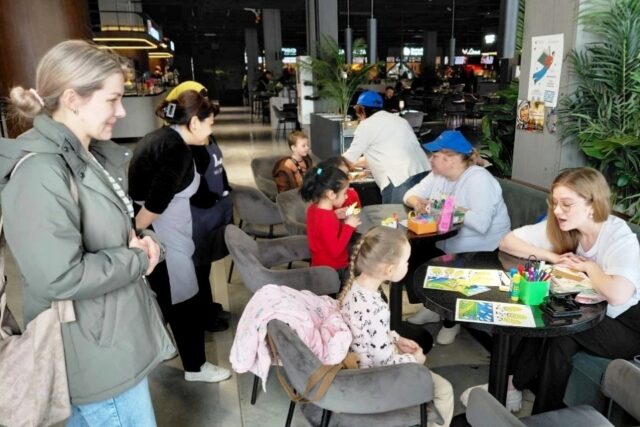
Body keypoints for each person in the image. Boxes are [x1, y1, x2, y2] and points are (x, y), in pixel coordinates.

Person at [0, 39, 174, 425]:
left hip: (110, 343)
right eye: (112, 99)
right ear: (73, 99)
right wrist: (137, 258)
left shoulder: (87, 156)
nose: (122, 111)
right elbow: (58, 276)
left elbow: (117, 228)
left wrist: (148, 243)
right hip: (94, 358)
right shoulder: (40, 172)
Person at [498, 167, 640, 414]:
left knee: (560, 326)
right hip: (594, 311)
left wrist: (589, 266)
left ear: (592, 205)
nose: (557, 211)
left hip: (627, 325)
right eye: (554, 203)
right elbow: (507, 242)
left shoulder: (618, 235)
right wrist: (554, 257)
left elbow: (619, 295)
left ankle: (513, 388)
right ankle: (532, 404)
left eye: (566, 204)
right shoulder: (567, 226)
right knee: (552, 322)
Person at [128, 89, 231, 383]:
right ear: (194, 122)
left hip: (168, 233)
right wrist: (134, 234)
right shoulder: (177, 152)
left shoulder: (163, 139)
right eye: (210, 124)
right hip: (165, 236)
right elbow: (154, 205)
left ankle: (162, 347)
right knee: (184, 300)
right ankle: (196, 367)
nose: (211, 132)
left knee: (165, 297)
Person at [403, 130, 511, 345]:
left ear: (451, 159)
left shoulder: (478, 179)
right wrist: (418, 203)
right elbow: (409, 195)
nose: (430, 159)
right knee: (410, 253)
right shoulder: (438, 175)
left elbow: (481, 224)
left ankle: (451, 320)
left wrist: (448, 208)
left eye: (435, 155)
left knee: (443, 261)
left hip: (483, 248)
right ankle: (432, 306)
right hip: (449, 240)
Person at [339, 226, 454, 427]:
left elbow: (367, 332)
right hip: (375, 381)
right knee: (444, 390)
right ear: (390, 270)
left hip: (359, 370)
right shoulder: (375, 308)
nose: (408, 265)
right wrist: (415, 359)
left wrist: (396, 339)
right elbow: (384, 362)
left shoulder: (355, 287)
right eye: (406, 261)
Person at [165, 81, 233, 332]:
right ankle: (203, 315)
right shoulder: (183, 145)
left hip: (212, 211)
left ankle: (208, 306)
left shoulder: (205, 136)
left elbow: (217, 166)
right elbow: (191, 186)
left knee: (206, 264)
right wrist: (210, 199)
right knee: (198, 267)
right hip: (197, 216)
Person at [342, 90, 431, 204]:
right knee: (419, 213)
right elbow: (384, 154)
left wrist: (325, 170)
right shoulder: (400, 120)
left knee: (395, 214)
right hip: (423, 172)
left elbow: (348, 159)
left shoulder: (366, 125)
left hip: (400, 178)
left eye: (357, 110)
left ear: (361, 109)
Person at [300, 166, 361, 281]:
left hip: (319, 264)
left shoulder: (313, 208)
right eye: (344, 193)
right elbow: (335, 251)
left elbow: (320, 231)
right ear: (331, 194)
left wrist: (335, 215)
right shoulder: (327, 218)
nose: (346, 196)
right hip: (334, 269)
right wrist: (349, 226)